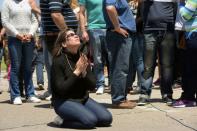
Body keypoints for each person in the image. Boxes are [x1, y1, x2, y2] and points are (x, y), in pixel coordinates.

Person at [51, 29, 112, 129]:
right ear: (64, 44)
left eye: (75, 34)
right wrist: (77, 72)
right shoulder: (58, 61)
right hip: (63, 101)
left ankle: (80, 114)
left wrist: (84, 73)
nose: (75, 36)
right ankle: (61, 121)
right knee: (90, 121)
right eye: (70, 35)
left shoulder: (82, 57)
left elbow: (92, 86)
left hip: (82, 98)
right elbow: (61, 90)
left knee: (106, 119)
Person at [137, 0, 176, 106]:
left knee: (167, 65)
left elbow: (176, 9)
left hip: (168, 31)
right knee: (148, 65)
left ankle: (167, 94)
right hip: (150, 31)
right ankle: (144, 94)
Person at [1, 0, 41, 104]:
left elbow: (35, 21)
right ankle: (15, 95)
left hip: (29, 38)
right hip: (14, 39)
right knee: (16, 67)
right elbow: (5, 21)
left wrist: (31, 34)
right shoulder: (7, 3)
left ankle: (30, 94)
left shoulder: (29, 2)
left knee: (28, 67)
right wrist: (16, 34)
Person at [39, 0, 78, 100]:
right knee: (62, 68)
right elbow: (56, 14)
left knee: (62, 67)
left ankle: (64, 98)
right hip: (57, 36)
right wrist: (68, 33)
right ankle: (61, 99)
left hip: (57, 35)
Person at [103, 0, 137, 108]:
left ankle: (121, 97)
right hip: (119, 35)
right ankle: (118, 100)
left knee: (122, 67)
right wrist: (117, 27)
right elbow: (110, 8)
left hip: (122, 34)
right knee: (120, 67)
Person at [79, 0, 109, 94]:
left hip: (110, 28)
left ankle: (114, 83)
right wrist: (83, 30)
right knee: (97, 58)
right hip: (94, 28)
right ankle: (100, 84)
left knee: (112, 58)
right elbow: (81, 13)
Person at [172, 0, 197, 108]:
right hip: (192, 34)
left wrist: (181, 3)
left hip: (194, 35)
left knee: (190, 68)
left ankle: (188, 98)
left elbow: (186, 15)